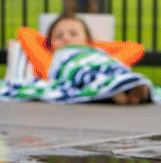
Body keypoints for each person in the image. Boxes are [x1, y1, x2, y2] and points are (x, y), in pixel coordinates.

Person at [15, 13, 151, 104]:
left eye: (73, 34)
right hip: (76, 73)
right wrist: (48, 45)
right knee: (88, 78)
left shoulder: (96, 51)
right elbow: (24, 32)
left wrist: (90, 46)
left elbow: (136, 48)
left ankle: (127, 87)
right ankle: (119, 91)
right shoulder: (49, 61)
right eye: (59, 36)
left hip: (97, 63)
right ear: (50, 44)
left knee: (110, 71)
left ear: (87, 40)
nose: (66, 38)